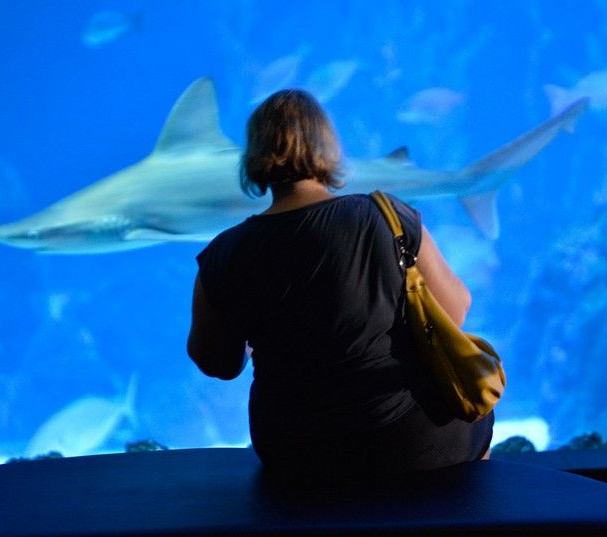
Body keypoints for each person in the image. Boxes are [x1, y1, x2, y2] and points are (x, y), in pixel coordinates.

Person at [189, 88, 493, 475]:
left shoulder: (224, 251)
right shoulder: (387, 217)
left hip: (290, 449)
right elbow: (456, 311)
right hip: (400, 438)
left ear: (253, 157)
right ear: (329, 149)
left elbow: (216, 363)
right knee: (475, 413)